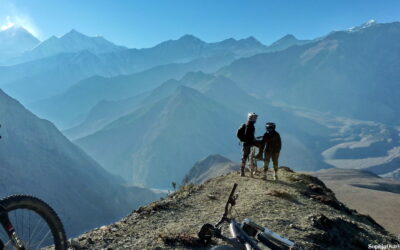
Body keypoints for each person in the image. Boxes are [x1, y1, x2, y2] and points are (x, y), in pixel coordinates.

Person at [237, 112, 264, 177]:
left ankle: (242, 171)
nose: (255, 119)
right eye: (255, 118)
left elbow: (243, 135)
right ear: (253, 119)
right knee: (262, 144)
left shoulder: (245, 125)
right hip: (251, 143)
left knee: (244, 157)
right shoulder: (251, 126)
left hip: (245, 144)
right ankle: (259, 156)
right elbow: (251, 136)